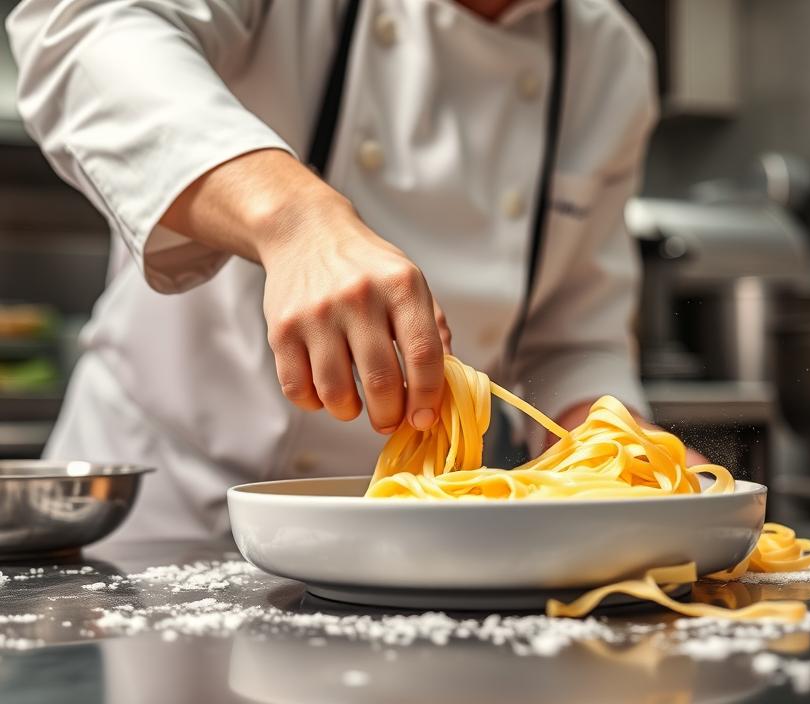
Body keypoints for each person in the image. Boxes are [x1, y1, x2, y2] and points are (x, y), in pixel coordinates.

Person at [7, 0, 688, 541]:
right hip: (164, 509)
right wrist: (296, 220)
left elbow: (572, 342)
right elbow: (83, 27)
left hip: (403, 538)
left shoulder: (612, 59)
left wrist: (625, 450)